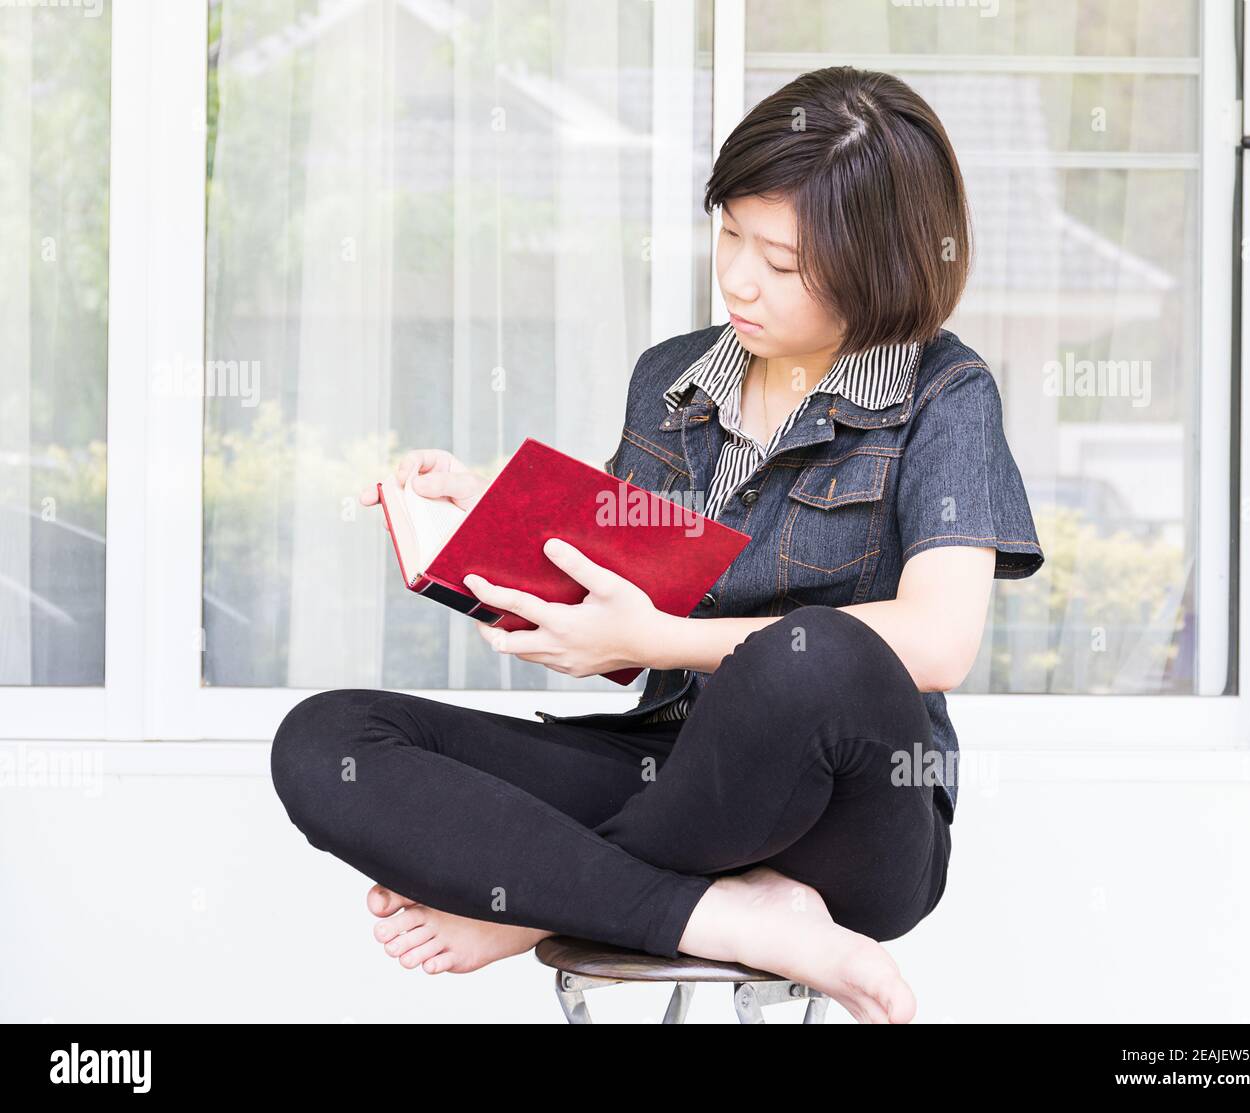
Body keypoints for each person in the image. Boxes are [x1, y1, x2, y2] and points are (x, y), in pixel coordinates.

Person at [270, 66, 1044, 1024]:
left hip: (855, 822)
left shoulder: (945, 394)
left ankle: (539, 898)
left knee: (813, 654)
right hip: (667, 768)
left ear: (877, 264)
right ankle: (726, 910)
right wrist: (488, 512)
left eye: (783, 258)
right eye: (729, 232)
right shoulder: (673, 378)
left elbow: (938, 641)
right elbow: (621, 573)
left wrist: (657, 644)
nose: (737, 276)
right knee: (328, 740)